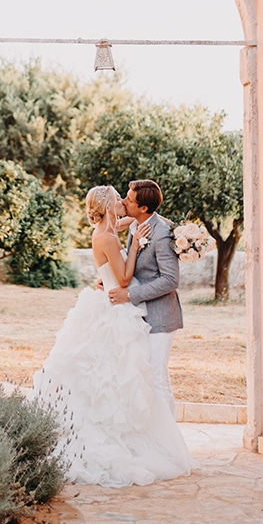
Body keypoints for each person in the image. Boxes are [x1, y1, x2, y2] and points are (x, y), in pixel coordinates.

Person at [31, 185, 191, 487]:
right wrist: (126, 256)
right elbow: (125, 275)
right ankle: (148, 441)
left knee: (138, 377)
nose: (124, 202)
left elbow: (155, 256)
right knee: (118, 377)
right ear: (108, 205)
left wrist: (169, 229)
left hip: (135, 309)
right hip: (118, 309)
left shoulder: (125, 226)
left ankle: (162, 439)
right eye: (120, 199)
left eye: (128, 199)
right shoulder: (110, 233)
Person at [108, 179, 182, 417]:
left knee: (158, 377)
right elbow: (137, 267)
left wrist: (129, 294)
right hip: (140, 316)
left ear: (143, 208)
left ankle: (171, 441)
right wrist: (109, 279)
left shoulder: (162, 234)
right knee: (142, 376)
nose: (124, 201)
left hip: (160, 317)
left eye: (129, 200)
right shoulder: (135, 224)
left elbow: (170, 280)